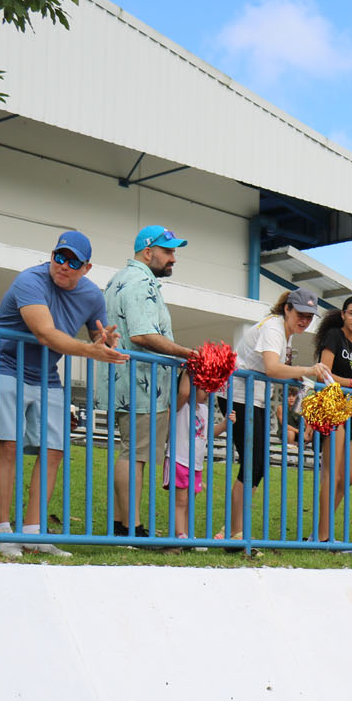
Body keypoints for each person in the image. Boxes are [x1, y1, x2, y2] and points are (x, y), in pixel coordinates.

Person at [0, 231, 127, 557]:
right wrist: (92, 351)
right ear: (51, 256)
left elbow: (100, 336)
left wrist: (107, 342)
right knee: (6, 445)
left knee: (54, 450)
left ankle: (33, 533)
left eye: (72, 261)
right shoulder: (29, 281)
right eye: (58, 257)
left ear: (86, 267)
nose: (63, 265)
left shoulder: (93, 296)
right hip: (5, 363)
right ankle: (1, 532)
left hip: (46, 373)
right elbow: (45, 333)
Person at [104, 225, 195, 539]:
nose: (173, 258)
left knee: (132, 451)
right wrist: (187, 353)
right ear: (148, 251)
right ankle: (133, 528)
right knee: (136, 455)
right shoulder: (141, 282)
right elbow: (143, 334)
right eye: (168, 251)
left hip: (129, 381)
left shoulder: (121, 278)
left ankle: (121, 525)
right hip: (142, 384)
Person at [224, 287, 332, 545]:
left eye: (310, 316)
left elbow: (273, 368)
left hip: (254, 398)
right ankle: (234, 533)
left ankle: (233, 531)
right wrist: (307, 369)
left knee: (257, 464)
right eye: (301, 314)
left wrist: (296, 373)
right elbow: (272, 367)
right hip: (240, 396)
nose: (305, 320)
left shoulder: (285, 332)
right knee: (254, 463)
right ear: (287, 308)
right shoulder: (274, 328)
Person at [314, 296, 352, 542]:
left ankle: (319, 531)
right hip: (328, 407)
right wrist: (348, 383)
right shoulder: (335, 335)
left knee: (348, 477)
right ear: (344, 314)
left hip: (344, 410)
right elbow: (322, 372)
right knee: (332, 473)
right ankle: (323, 536)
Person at [164, 368, 229, 540]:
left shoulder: (204, 410)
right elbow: (184, 392)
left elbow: (209, 432)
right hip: (179, 458)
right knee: (181, 500)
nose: (208, 392)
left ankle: (186, 533)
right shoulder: (180, 405)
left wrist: (225, 424)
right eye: (203, 388)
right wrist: (189, 370)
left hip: (196, 463)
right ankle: (179, 533)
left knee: (189, 501)